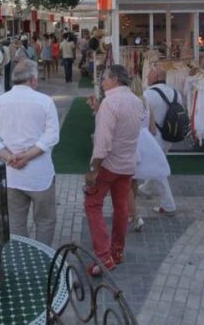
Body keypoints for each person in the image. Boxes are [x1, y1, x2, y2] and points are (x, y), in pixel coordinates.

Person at [0, 60, 60, 246]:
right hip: (40, 175)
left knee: (16, 222)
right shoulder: (45, 101)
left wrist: (8, 156)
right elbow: (52, 136)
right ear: (33, 79)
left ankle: (21, 258)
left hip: (11, 175)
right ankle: (43, 258)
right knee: (45, 221)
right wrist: (27, 156)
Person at [85, 64, 144, 275]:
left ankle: (103, 257)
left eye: (104, 78)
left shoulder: (110, 103)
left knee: (92, 204)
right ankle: (117, 252)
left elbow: (103, 142)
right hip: (127, 163)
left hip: (108, 165)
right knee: (121, 207)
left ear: (115, 80)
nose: (102, 82)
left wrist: (93, 170)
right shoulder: (137, 101)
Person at [139, 67, 178, 217]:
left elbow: (143, 118)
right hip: (170, 137)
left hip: (155, 137)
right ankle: (146, 189)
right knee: (157, 164)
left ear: (155, 77)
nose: (147, 77)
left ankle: (169, 205)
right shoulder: (175, 93)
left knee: (158, 170)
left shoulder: (148, 94)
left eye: (149, 74)